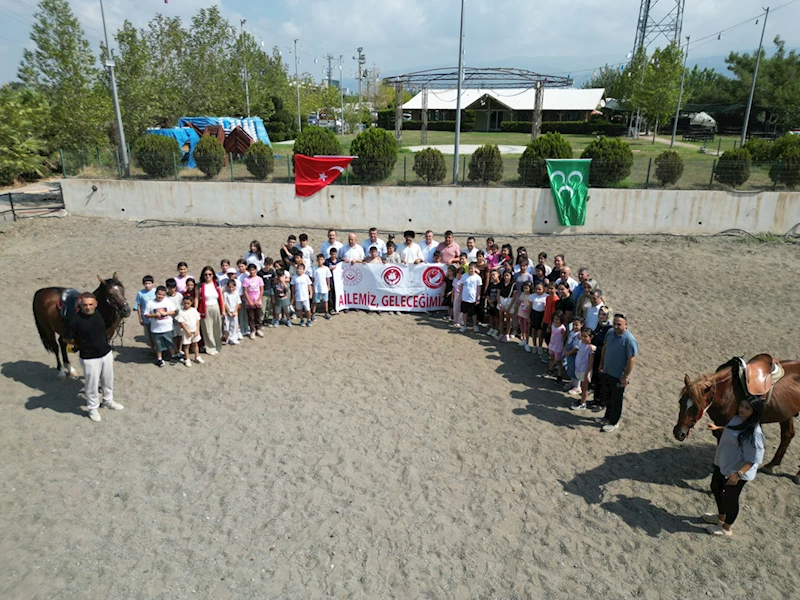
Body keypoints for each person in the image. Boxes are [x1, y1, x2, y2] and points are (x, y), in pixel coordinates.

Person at [703, 398, 765, 536]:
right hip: (724, 462)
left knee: (730, 498)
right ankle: (721, 517)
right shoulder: (737, 419)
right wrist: (718, 428)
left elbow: (754, 459)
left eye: (747, 408)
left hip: (738, 470)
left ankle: (726, 528)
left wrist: (738, 474)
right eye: (741, 406)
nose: (742, 409)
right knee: (715, 487)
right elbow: (734, 429)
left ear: (754, 412)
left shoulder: (754, 433)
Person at [65, 292, 123, 422]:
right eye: (85, 304)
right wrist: (79, 344)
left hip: (106, 353)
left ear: (96, 304)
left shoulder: (100, 314)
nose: (88, 307)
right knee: (91, 385)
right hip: (89, 358)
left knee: (108, 380)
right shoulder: (75, 320)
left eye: (91, 304)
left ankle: (108, 401)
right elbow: (67, 338)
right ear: (80, 304)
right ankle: (92, 409)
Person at [594, 314, 638, 432]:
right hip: (607, 371)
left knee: (616, 399)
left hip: (618, 376)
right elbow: (605, 348)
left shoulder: (629, 340)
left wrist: (625, 377)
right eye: (615, 323)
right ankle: (607, 417)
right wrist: (601, 363)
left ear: (626, 325)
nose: (616, 326)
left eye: (619, 324)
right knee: (607, 396)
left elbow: (631, 360)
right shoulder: (610, 333)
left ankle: (614, 422)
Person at [144, 285, 176, 367]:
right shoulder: (150, 303)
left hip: (168, 327)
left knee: (170, 344)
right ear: (155, 293)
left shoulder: (168, 301)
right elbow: (146, 314)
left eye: (163, 295)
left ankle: (173, 356)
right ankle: (159, 359)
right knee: (158, 345)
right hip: (156, 329)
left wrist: (165, 313)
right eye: (159, 294)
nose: (161, 296)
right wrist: (154, 315)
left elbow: (173, 312)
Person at [198, 266, 224, 355]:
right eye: (206, 274)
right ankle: (210, 347)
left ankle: (218, 345)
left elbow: (221, 297)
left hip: (215, 307)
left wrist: (223, 310)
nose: (208, 276)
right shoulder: (200, 286)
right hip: (205, 308)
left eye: (210, 274)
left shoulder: (216, 284)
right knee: (207, 329)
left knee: (217, 328)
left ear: (213, 275)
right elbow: (197, 299)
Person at [569, 328, 597, 411]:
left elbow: (590, 363)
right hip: (579, 369)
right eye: (583, 336)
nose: (584, 338)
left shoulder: (590, 349)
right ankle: (581, 400)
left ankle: (583, 404)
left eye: (586, 336)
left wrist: (587, 373)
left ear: (591, 337)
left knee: (585, 388)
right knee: (581, 386)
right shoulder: (581, 343)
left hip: (585, 371)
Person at [177, 295, 203, 367]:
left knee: (195, 344)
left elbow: (198, 320)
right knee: (186, 345)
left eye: (188, 303)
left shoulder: (194, 310)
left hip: (195, 330)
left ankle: (197, 356)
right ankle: (187, 359)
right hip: (186, 332)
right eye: (184, 303)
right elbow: (181, 322)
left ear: (191, 303)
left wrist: (197, 330)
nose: (186, 305)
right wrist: (187, 331)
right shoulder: (181, 312)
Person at [459, 263, 482, 333]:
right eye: (469, 268)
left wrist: (478, 297)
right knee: (464, 312)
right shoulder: (464, 276)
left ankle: (475, 325)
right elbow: (461, 286)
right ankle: (464, 325)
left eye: (472, 268)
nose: (470, 270)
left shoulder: (478, 277)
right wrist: (460, 296)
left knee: (473, 313)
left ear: (475, 269)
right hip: (464, 297)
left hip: (473, 298)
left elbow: (479, 288)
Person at [134, 275, 156, 353]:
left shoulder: (156, 292)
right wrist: (140, 318)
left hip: (156, 318)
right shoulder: (140, 293)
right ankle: (153, 351)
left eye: (149, 283)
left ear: (153, 284)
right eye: (146, 284)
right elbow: (138, 306)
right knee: (149, 336)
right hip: (146, 318)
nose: (147, 285)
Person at [164, 278, 185, 361]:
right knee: (173, 337)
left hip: (179, 319)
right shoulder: (165, 297)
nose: (171, 290)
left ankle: (179, 350)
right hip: (170, 320)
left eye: (173, 287)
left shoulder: (179, 295)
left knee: (180, 336)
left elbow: (182, 306)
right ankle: (175, 351)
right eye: (169, 288)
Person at [243, 263, 264, 339]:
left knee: (258, 316)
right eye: (250, 270)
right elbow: (245, 291)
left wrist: (258, 300)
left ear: (256, 270)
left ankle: (258, 328)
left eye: (253, 270)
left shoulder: (259, 279)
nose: (252, 271)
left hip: (257, 300)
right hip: (250, 301)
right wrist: (249, 301)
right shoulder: (246, 280)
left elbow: (261, 290)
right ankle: (252, 330)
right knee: (251, 317)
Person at [563, 316, 584, 393]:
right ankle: (572, 383)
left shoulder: (580, 336)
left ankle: (577, 387)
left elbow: (576, 348)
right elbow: (568, 340)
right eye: (574, 324)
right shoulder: (572, 332)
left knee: (576, 370)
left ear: (581, 325)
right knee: (571, 369)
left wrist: (569, 352)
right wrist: (565, 349)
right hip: (569, 355)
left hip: (575, 355)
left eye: (577, 325)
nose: (575, 326)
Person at [497, 269, 517, 342]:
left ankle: (507, 334)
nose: (506, 277)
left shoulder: (513, 285)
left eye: (508, 275)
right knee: (501, 318)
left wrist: (509, 306)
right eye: (505, 275)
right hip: (502, 300)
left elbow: (514, 297)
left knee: (508, 319)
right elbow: (498, 294)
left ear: (511, 276)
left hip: (510, 301)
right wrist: (499, 303)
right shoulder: (501, 283)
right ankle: (501, 333)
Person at [291, 262, 313, 327]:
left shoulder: (306, 277)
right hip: (298, 296)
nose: (299, 270)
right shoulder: (294, 277)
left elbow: (309, 286)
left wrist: (311, 293)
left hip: (305, 296)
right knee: (299, 309)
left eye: (301, 269)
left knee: (307, 309)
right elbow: (293, 287)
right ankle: (301, 320)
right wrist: (293, 295)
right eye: (298, 268)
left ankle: (309, 319)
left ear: (303, 270)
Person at [547, 311, 567, 383]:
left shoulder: (562, 328)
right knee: (552, 358)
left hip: (558, 346)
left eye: (557, 319)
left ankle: (559, 375)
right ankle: (550, 370)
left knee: (558, 361)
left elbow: (564, 338)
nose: (555, 321)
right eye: (554, 319)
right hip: (552, 345)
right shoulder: (553, 325)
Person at [312, 254, 333, 320]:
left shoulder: (326, 269)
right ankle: (313, 313)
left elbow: (328, 278)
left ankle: (326, 313)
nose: (320, 261)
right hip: (317, 288)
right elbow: (313, 279)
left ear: (324, 260)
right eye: (318, 260)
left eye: (321, 259)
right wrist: (312, 287)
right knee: (315, 301)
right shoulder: (314, 269)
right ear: (317, 260)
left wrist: (328, 286)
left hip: (324, 288)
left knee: (325, 301)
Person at [530, 282, 548, 358]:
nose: (538, 291)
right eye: (536, 289)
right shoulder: (532, 296)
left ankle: (540, 347)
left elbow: (546, 309)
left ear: (543, 289)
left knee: (540, 333)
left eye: (540, 289)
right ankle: (534, 346)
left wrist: (544, 319)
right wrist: (528, 317)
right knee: (534, 332)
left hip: (542, 315)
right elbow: (529, 308)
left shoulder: (546, 297)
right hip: (534, 314)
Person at [222, 278, 242, 345]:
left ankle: (233, 338)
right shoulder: (225, 294)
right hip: (228, 313)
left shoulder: (236, 293)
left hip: (234, 312)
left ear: (235, 287)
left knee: (234, 325)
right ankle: (227, 338)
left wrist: (235, 311)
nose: (231, 288)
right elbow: (225, 303)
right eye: (229, 287)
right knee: (227, 325)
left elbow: (238, 303)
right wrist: (228, 312)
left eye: (232, 287)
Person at [259, 257, 276, 327]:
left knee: (268, 307)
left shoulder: (271, 271)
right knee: (262, 308)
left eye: (269, 265)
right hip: (263, 292)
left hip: (270, 291)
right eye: (266, 264)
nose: (268, 266)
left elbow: (273, 280)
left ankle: (267, 319)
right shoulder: (260, 272)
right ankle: (261, 321)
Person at [515, 281, 533, 352]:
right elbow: (520, 302)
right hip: (521, 312)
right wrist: (517, 312)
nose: (525, 289)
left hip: (527, 314)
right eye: (524, 288)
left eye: (527, 288)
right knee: (522, 326)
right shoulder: (522, 294)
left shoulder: (532, 296)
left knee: (526, 328)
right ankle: (523, 339)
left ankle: (527, 342)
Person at [324, 248, 341, 315]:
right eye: (332, 254)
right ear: (330, 254)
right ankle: (330, 308)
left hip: (337, 281)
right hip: (330, 280)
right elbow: (324, 269)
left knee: (336, 294)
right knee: (330, 295)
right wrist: (329, 269)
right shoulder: (327, 261)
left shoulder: (339, 262)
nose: (333, 255)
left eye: (334, 254)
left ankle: (336, 307)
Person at [485, 269, 501, 337]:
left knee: (496, 316)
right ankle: (491, 327)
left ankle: (496, 329)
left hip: (496, 303)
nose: (492, 276)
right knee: (490, 315)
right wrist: (489, 300)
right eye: (491, 275)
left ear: (498, 275)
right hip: (490, 302)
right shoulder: (490, 284)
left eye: (494, 274)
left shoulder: (500, 285)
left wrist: (493, 301)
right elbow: (487, 293)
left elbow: (499, 295)